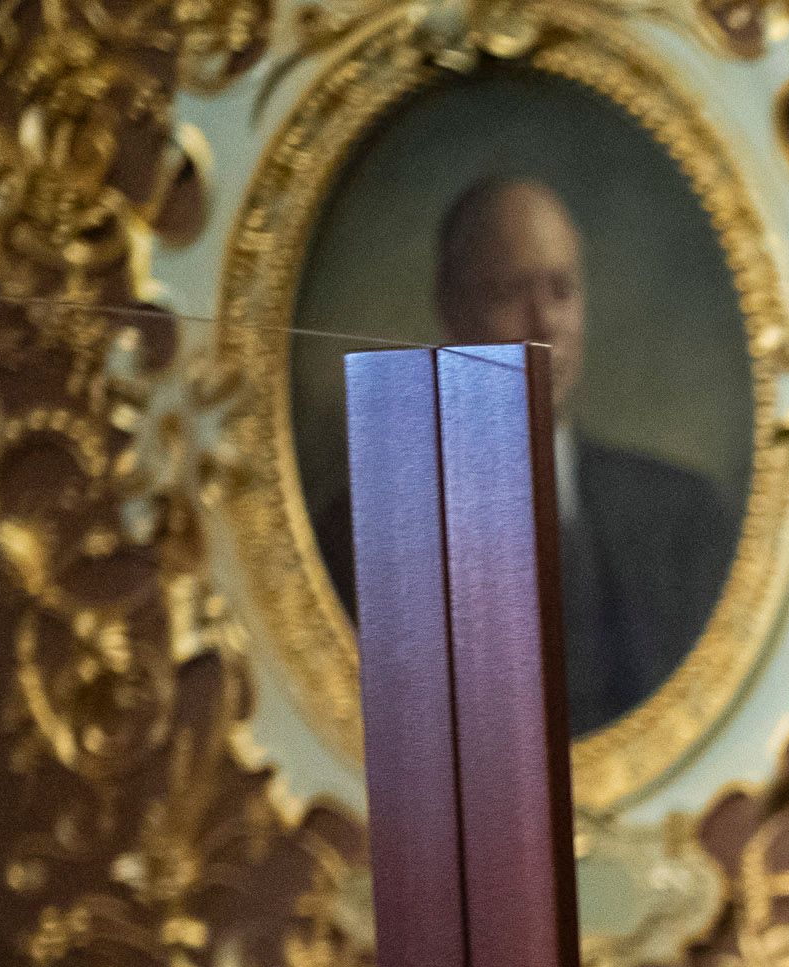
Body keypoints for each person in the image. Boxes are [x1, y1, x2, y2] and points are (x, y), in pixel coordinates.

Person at [315, 176, 738, 734]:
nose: (546, 326)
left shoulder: (683, 516)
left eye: (561, 291)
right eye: (510, 294)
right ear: (450, 309)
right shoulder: (366, 537)